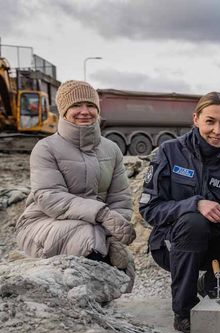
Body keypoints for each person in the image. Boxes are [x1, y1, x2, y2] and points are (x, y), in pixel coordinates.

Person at [139, 92, 220, 333]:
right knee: (194, 222)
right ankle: (184, 312)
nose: (217, 130)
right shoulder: (169, 152)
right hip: (172, 244)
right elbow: (149, 209)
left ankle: (210, 283)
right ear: (196, 119)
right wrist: (195, 204)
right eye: (210, 121)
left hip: (215, 246)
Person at [16, 80, 136, 290]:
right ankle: (79, 299)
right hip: (41, 222)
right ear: (63, 110)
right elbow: (49, 196)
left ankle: (98, 304)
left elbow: (120, 198)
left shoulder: (112, 149)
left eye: (90, 105)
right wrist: (102, 215)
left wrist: (113, 234)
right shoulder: (45, 149)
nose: (84, 111)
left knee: (122, 263)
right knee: (87, 237)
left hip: (95, 226)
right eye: (75, 106)